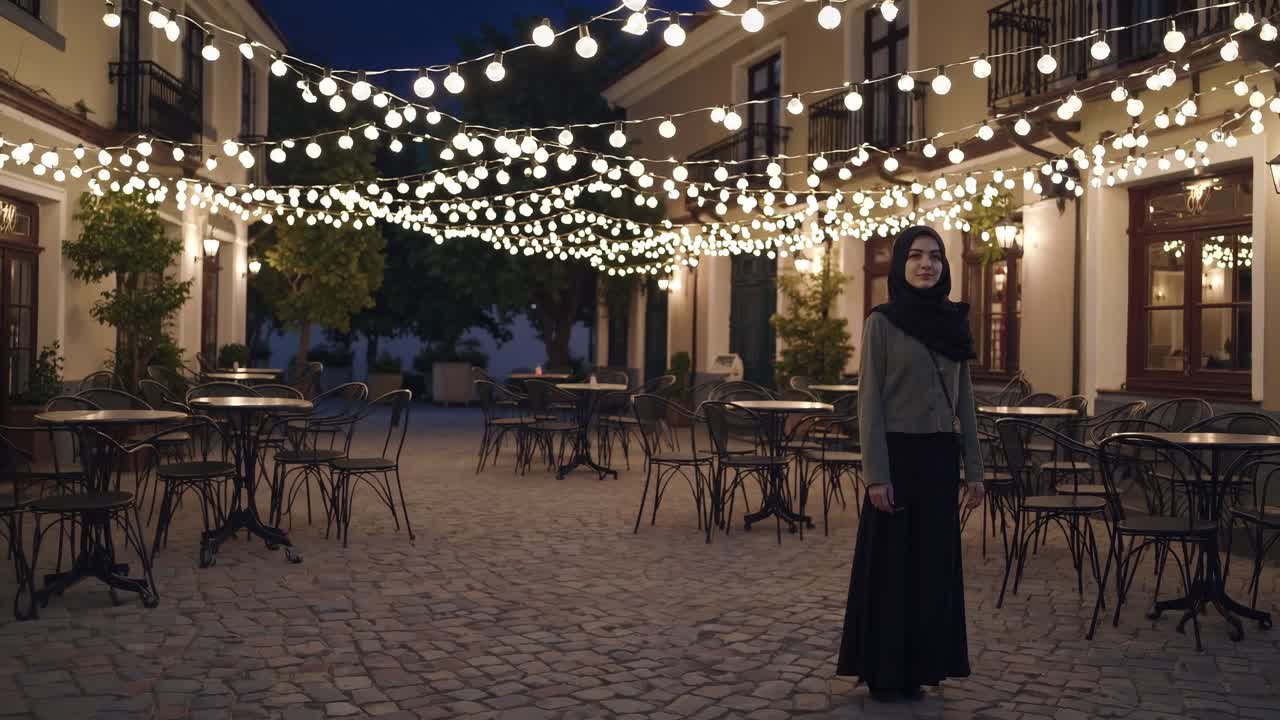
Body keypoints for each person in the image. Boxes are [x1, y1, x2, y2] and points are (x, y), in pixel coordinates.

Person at [836, 225, 986, 702]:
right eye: (917, 256)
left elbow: (965, 403)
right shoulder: (882, 322)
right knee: (892, 566)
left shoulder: (954, 322)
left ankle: (924, 664)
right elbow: (870, 405)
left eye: (936, 257)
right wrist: (876, 475)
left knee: (932, 565)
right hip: (897, 459)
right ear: (901, 264)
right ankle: (885, 671)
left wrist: (975, 471)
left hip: (940, 459)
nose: (927, 264)